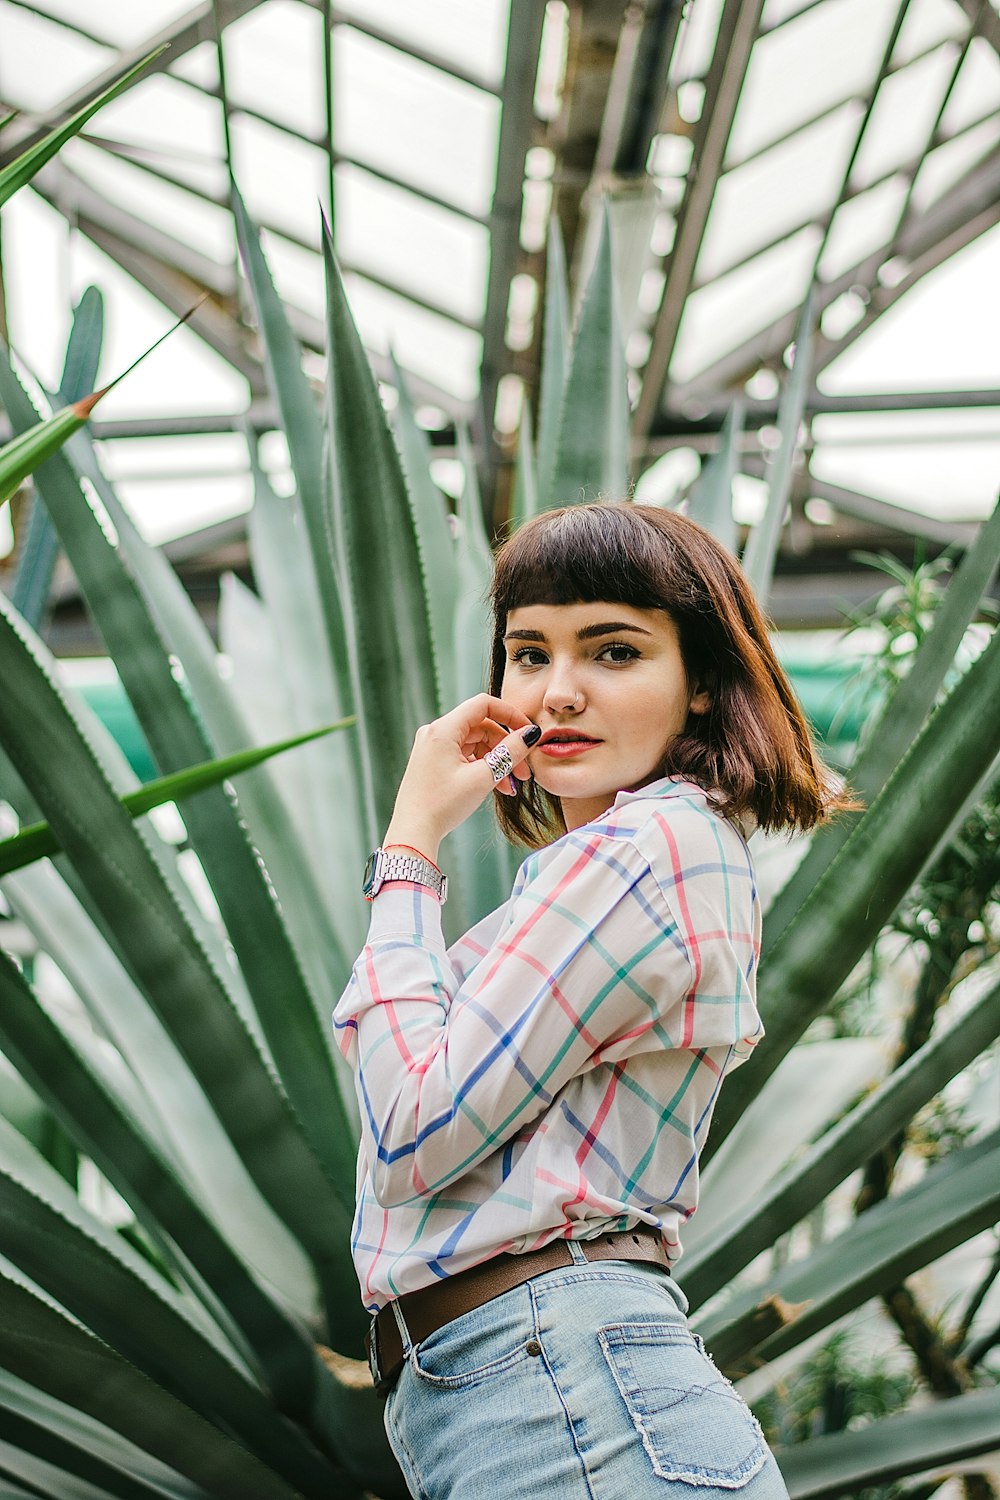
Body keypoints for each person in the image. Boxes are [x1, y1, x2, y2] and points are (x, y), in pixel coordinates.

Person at [334, 502, 846, 1498]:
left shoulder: (646, 848)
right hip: (545, 1395)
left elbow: (407, 1131)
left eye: (613, 651)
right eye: (528, 653)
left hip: (558, 1396)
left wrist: (409, 848)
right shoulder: (614, 867)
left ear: (701, 683)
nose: (556, 693)